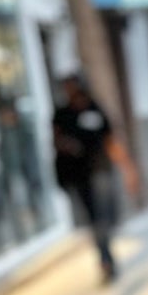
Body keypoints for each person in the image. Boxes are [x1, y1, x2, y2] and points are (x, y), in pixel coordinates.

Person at [52, 75, 132, 283]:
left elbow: (110, 140)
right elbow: (56, 141)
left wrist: (128, 169)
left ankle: (106, 257)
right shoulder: (62, 114)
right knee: (94, 220)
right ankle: (105, 258)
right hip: (78, 176)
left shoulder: (95, 110)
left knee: (103, 217)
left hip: (100, 170)